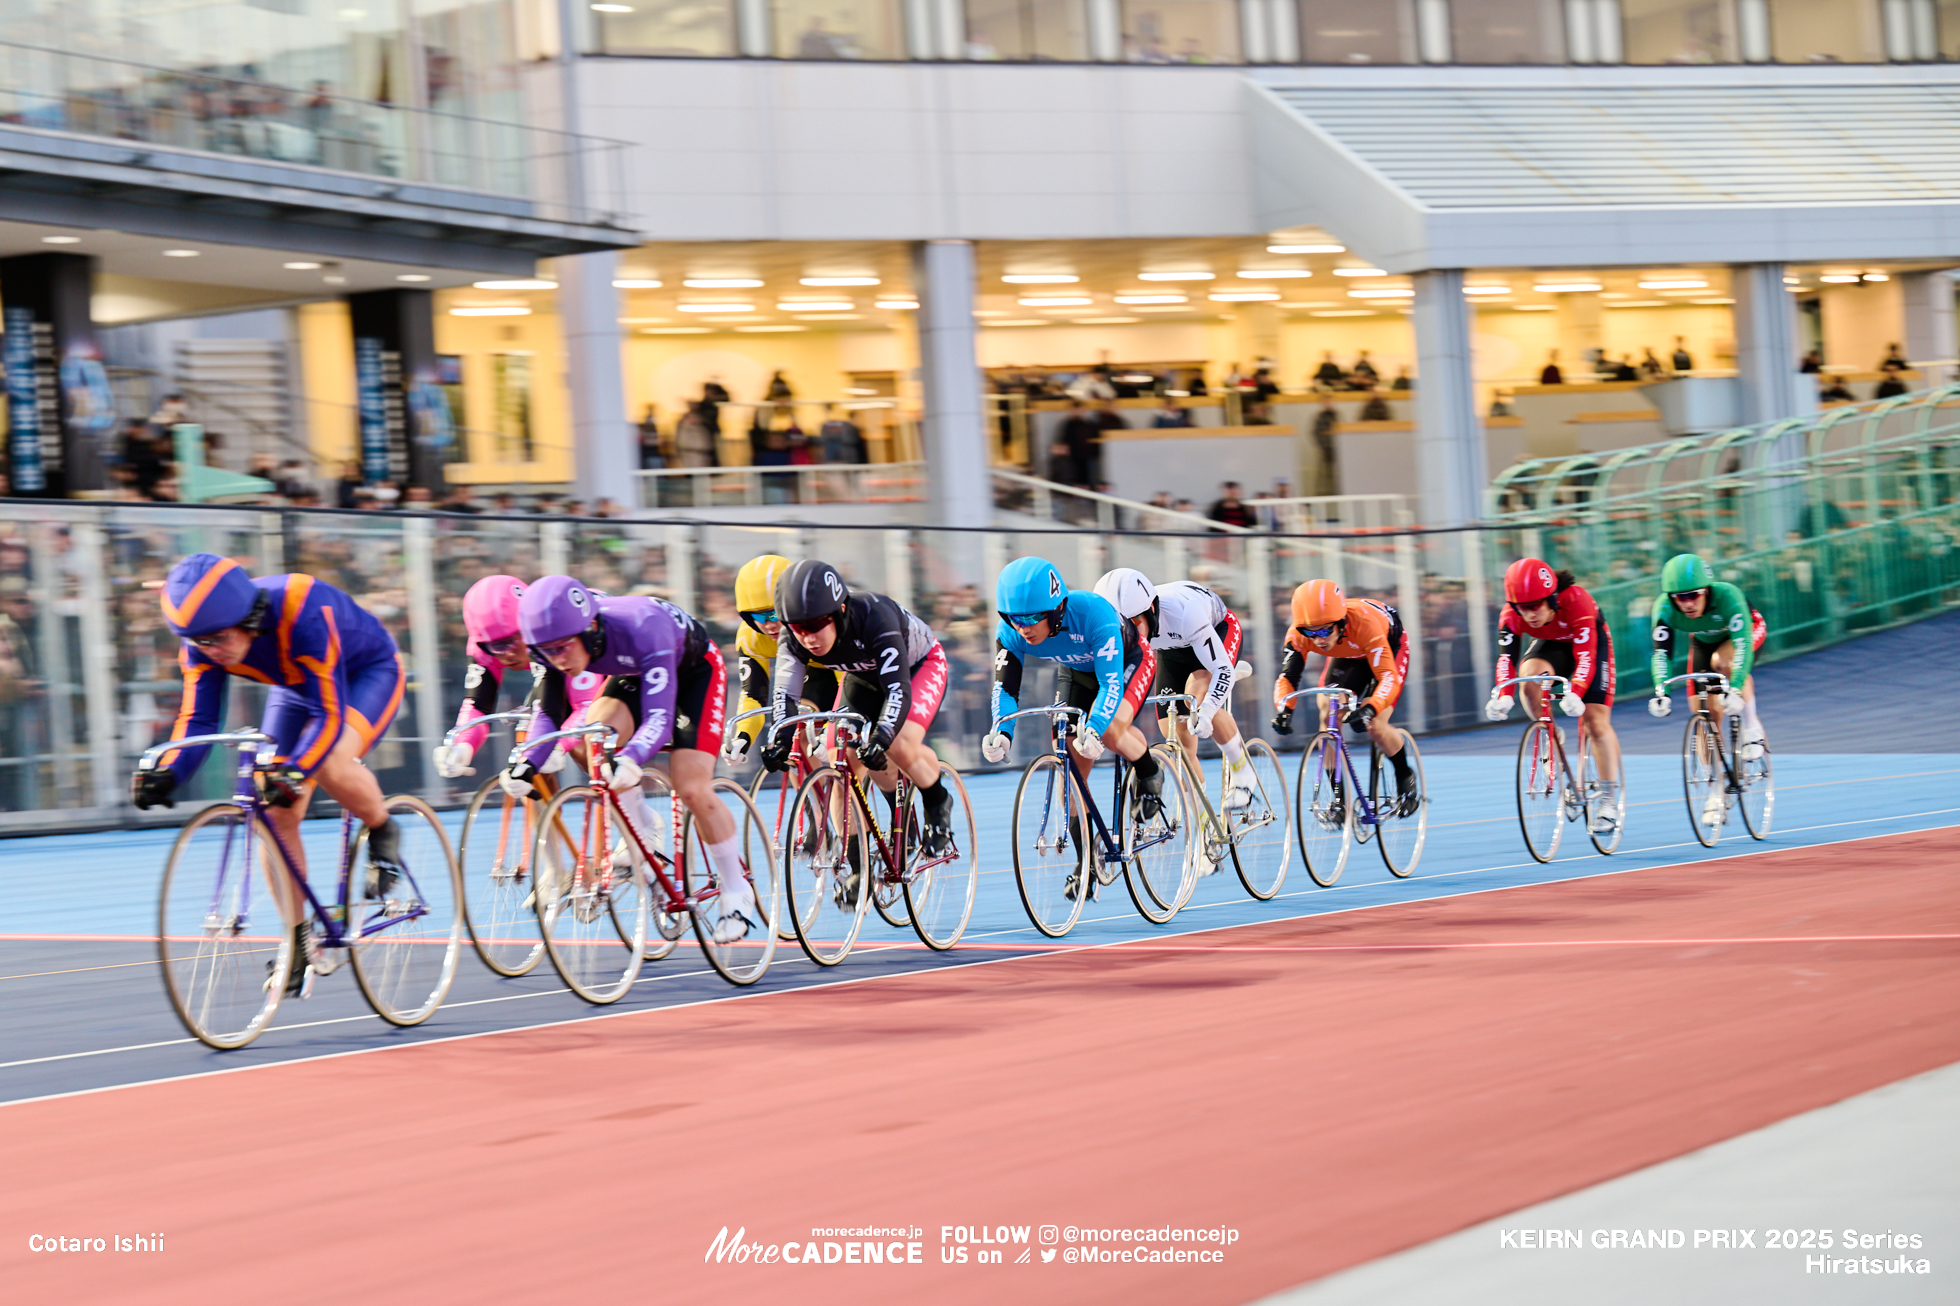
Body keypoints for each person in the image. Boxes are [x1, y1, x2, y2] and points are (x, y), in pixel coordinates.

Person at [131, 554, 407, 994]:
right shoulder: (203, 640)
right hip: (298, 687)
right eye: (197, 642)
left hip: (365, 675)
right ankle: (296, 938)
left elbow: (330, 714)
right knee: (271, 811)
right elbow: (198, 718)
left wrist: (294, 772)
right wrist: (168, 772)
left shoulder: (303, 610)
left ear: (251, 618)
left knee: (330, 761)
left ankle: (382, 827)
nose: (211, 651)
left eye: (218, 639)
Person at [502, 576, 757, 942]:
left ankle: (736, 889)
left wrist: (633, 757)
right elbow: (548, 714)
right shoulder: (551, 645)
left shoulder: (641, 626)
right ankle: (642, 834)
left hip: (693, 671)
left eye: (562, 648)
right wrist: (526, 762)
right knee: (593, 739)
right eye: (545, 652)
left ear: (589, 628)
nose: (556, 659)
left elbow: (659, 717)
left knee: (691, 788)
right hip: (636, 671)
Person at [984, 558, 1163, 896]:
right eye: (1014, 619)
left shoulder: (1094, 614)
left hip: (1126, 662)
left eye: (1033, 617)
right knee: (1068, 763)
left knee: (1110, 732)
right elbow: (1005, 688)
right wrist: (1001, 731)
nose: (1023, 627)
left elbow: (1110, 684)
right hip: (1076, 673)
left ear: (1058, 607)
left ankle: (1149, 770)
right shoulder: (1011, 631)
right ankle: (1086, 863)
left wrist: (1095, 726)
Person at [762, 559, 955, 855]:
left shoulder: (875, 617)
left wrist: (881, 737)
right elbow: (784, 695)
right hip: (863, 677)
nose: (808, 637)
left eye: (814, 625)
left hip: (918, 668)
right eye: (798, 628)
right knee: (842, 758)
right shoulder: (794, 639)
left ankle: (937, 801)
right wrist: (780, 740)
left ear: (840, 610)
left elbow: (897, 689)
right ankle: (857, 864)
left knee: (897, 743)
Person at [1095, 568, 1253, 826]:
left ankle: (1242, 769)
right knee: (1179, 738)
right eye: (1119, 624)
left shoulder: (1184, 612)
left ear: (1151, 611)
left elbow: (1221, 670)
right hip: (1170, 650)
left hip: (1215, 630)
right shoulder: (1132, 627)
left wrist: (1209, 710)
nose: (1127, 631)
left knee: (1198, 699)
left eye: (1134, 623)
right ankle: (1205, 826)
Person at [1484, 558, 1624, 833]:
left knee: (1595, 721)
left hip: (1588, 646)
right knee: (1529, 682)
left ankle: (1608, 803)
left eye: (1536, 605)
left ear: (1552, 599)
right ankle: (1551, 732)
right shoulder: (1511, 615)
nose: (1530, 614)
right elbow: (1506, 661)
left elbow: (1586, 656)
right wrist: (1503, 694)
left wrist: (1577, 692)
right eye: (1523, 608)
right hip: (1552, 644)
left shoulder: (1576, 601)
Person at [1270, 579, 1417, 816]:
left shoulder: (1364, 624)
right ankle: (1338, 799)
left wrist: (1370, 709)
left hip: (1387, 646)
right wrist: (1284, 710)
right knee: (1327, 712)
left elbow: (1388, 678)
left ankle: (1405, 776)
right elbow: (1288, 677)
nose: (1318, 639)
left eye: (1325, 630)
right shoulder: (1298, 635)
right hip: (1348, 652)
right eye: (1311, 632)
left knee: (1375, 724)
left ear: (1341, 622)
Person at [1648, 553, 1768, 831]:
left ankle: (1752, 727)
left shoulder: (1728, 596)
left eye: (1693, 595)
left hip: (1743, 634)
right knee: (1704, 715)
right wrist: (1660, 689)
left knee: (1724, 663)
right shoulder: (1664, 608)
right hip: (1702, 642)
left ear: (1707, 591)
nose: (1687, 603)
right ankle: (1716, 790)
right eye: (1680, 597)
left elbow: (1741, 650)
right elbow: (1660, 654)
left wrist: (1735, 687)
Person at [725, 554, 837, 765]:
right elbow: (752, 695)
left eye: (774, 614)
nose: (769, 625)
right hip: (806, 672)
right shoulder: (750, 638)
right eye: (759, 617)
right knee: (794, 732)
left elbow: (848, 682)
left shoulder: (822, 620)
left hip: (842, 670)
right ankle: (811, 796)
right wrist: (743, 737)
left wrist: (830, 731)